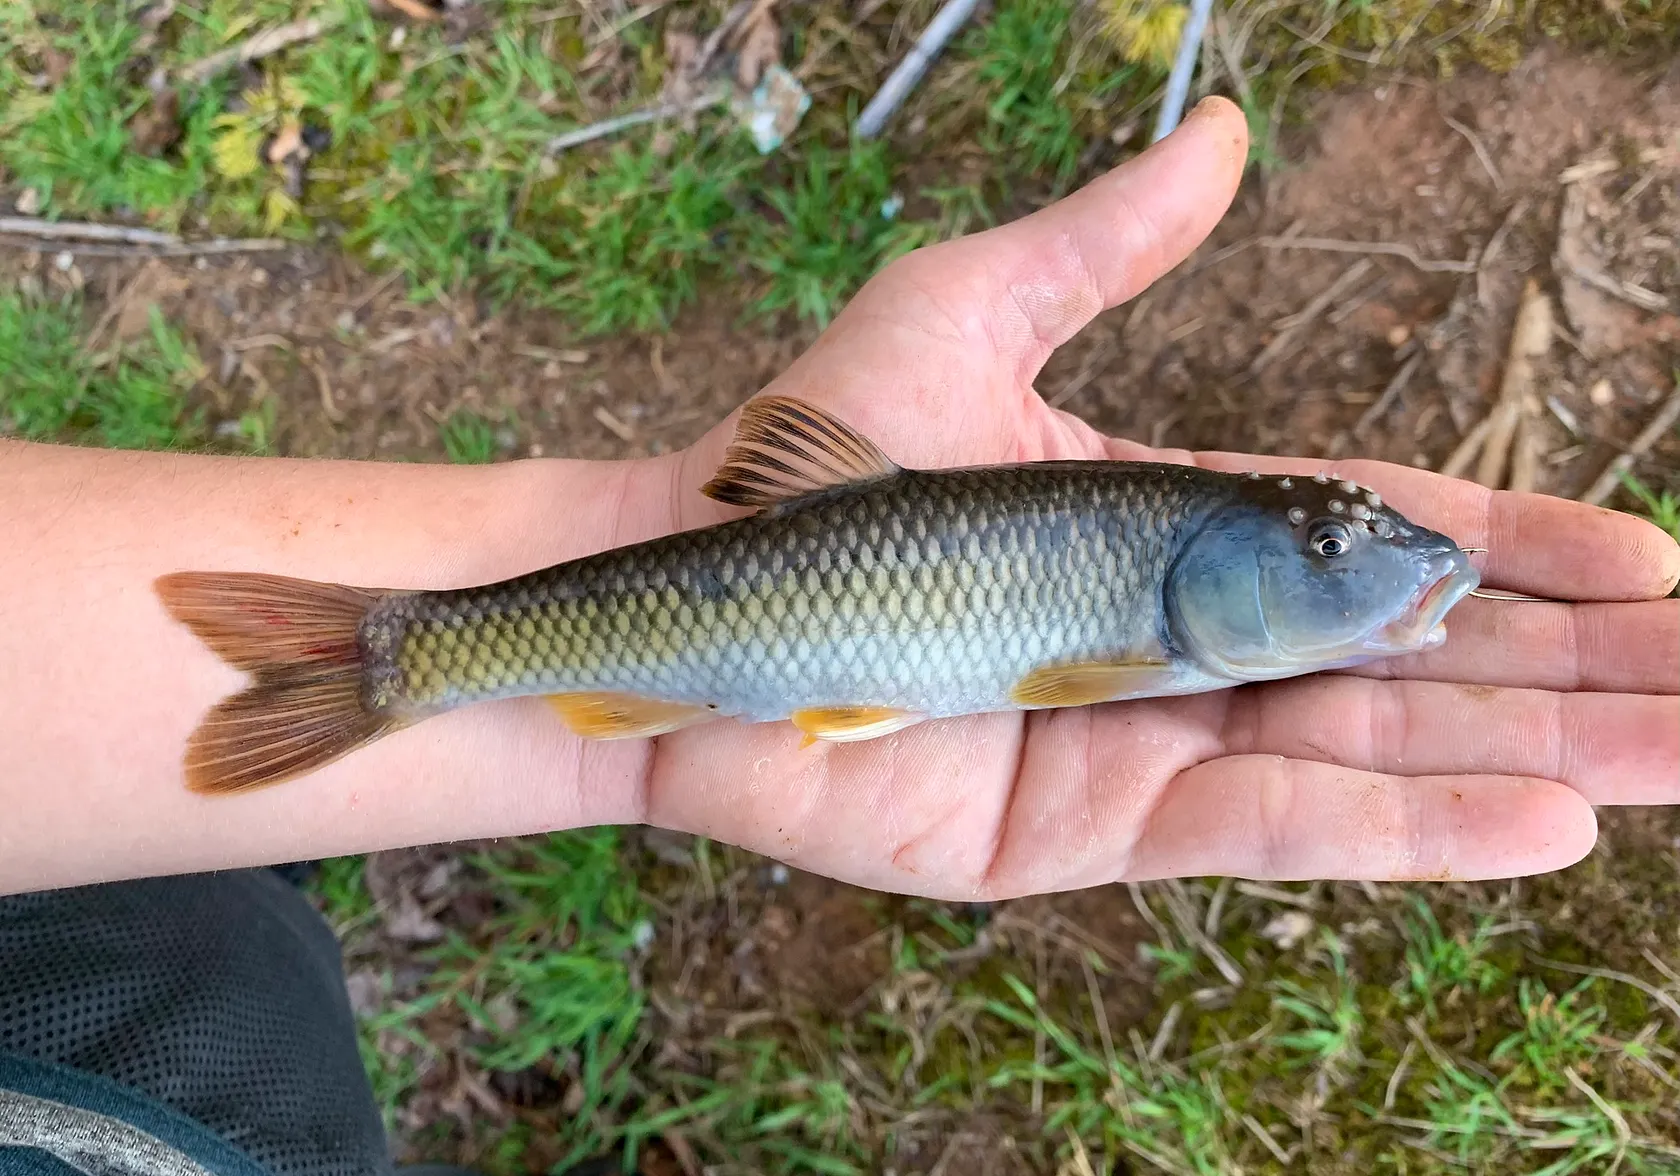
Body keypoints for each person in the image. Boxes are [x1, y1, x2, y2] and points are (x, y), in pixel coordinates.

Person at [1, 96, 1675, 1176]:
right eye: (1333, 543)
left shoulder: (1173, 595)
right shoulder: (1158, 612)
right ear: (1234, 556)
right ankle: (396, 656)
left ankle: (401, 658)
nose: (1379, 560)